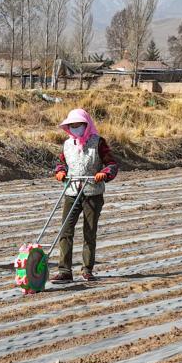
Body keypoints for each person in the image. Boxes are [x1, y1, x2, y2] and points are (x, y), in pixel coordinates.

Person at [51, 108, 119, 283]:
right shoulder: (67, 144)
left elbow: (111, 163)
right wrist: (60, 172)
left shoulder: (98, 142)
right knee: (66, 230)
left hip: (92, 192)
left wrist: (104, 173)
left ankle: (87, 269)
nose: (75, 128)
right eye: (72, 125)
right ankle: (64, 270)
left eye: (78, 125)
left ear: (86, 125)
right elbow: (61, 164)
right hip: (72, 191)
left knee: (89, 231)